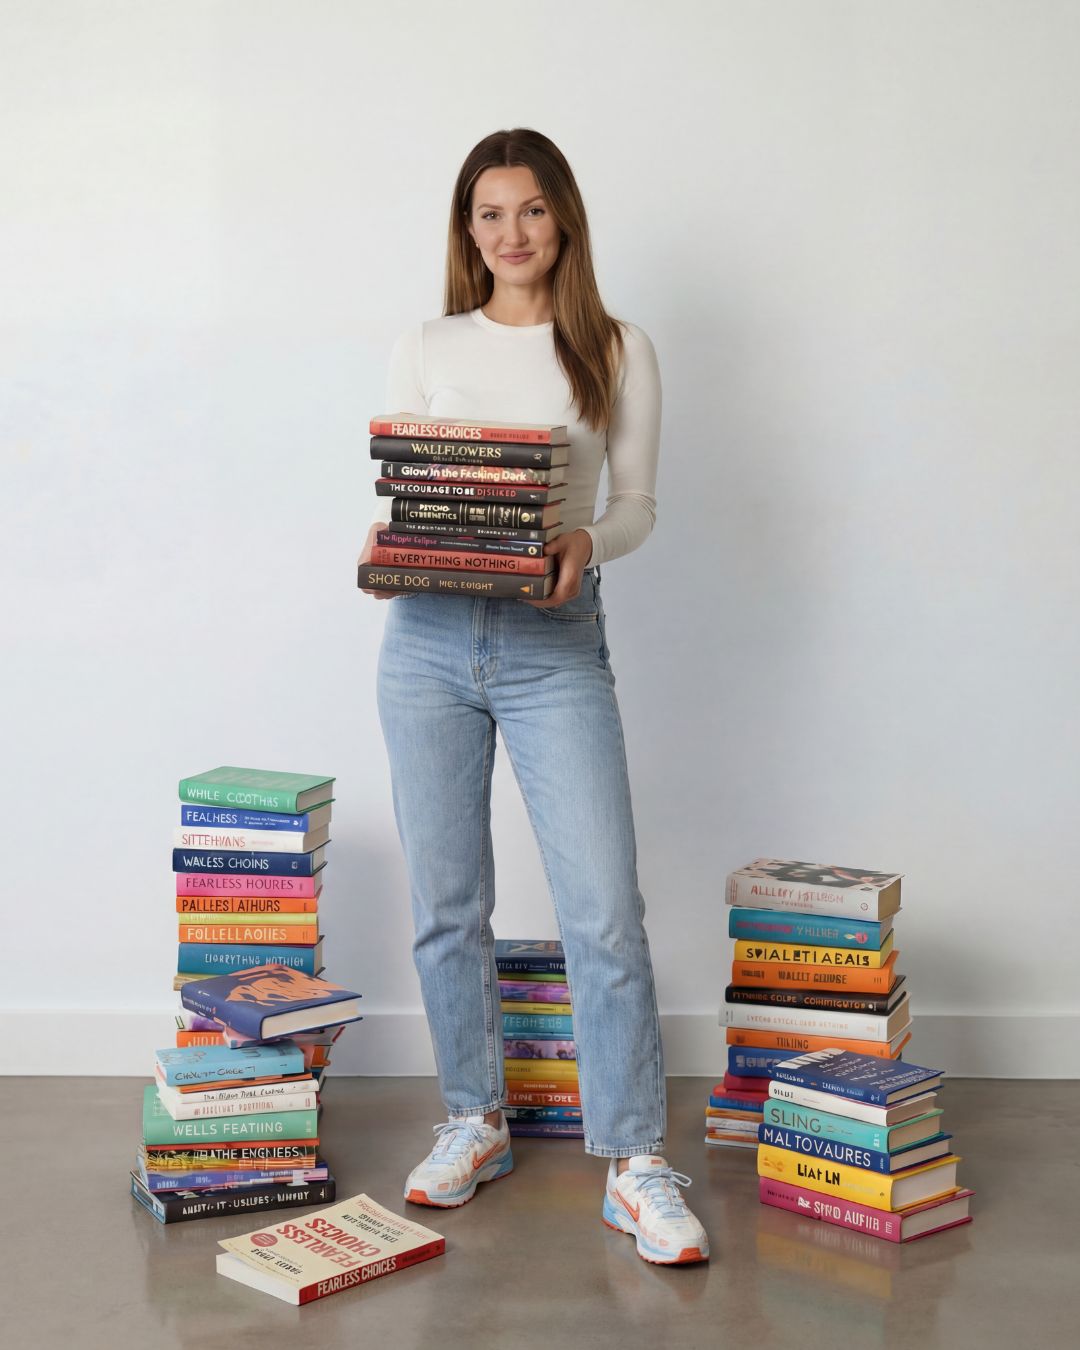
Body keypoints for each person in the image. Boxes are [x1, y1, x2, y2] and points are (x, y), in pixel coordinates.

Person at [358, 128, 709, 1266]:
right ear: (469, 231)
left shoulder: (613, 345)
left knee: (603, 907)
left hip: (556, 643)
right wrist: (390, 539)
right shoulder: (427, 340)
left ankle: (636, 1158)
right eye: (489, 215)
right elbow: (405, 482)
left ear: (565, 221)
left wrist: (584, 538)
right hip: (425, 639)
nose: (512, 235)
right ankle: (474, 1117)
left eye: (533, 212)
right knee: (447, 901)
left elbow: (641, 505)